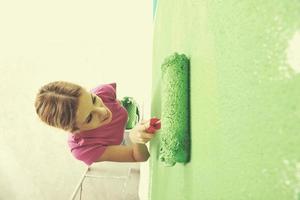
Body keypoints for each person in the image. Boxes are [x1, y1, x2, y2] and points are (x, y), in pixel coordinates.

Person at [34, 81, 159, 165]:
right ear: (74, 130)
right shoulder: (82, 148)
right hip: (127, 142)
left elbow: (121, 105)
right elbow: (137, 156)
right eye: (89, 117)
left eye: (93, 99)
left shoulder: (102, 92)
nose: (103, 111)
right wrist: (135, 139)